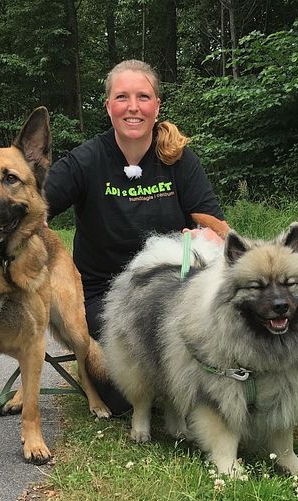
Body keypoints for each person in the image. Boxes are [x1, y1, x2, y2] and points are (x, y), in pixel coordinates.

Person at [44, 59, 229, 414]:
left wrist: (212, 236)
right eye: (122, 97)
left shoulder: (180, 160)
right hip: (102, 295)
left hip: (170, 289)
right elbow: (33, 208)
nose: (133, 107)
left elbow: (216, 226)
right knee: (121, 399)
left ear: (157, 106)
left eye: (143, 97)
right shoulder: (85, 161)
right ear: (108, 106)